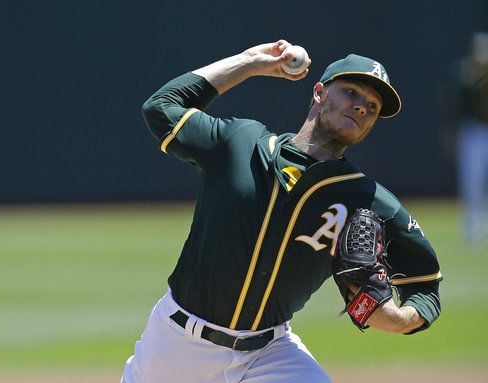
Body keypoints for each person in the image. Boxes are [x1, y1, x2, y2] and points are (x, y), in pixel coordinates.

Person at [121, 40, 442, 383]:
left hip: (269, 354)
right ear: (319, 93)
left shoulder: (366, 198)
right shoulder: (241, 143)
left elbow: (426, 285)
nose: (362, 107)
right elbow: (161, 107)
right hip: (176, 347)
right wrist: (247, 63)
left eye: (373, 106)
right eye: (351, 92)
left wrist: (399, 319)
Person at [437, 31, 488, 252]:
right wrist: (452, 133)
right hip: (472, 130)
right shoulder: (463, 75)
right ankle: (473, 229)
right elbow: (452, 106)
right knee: (472, 181)